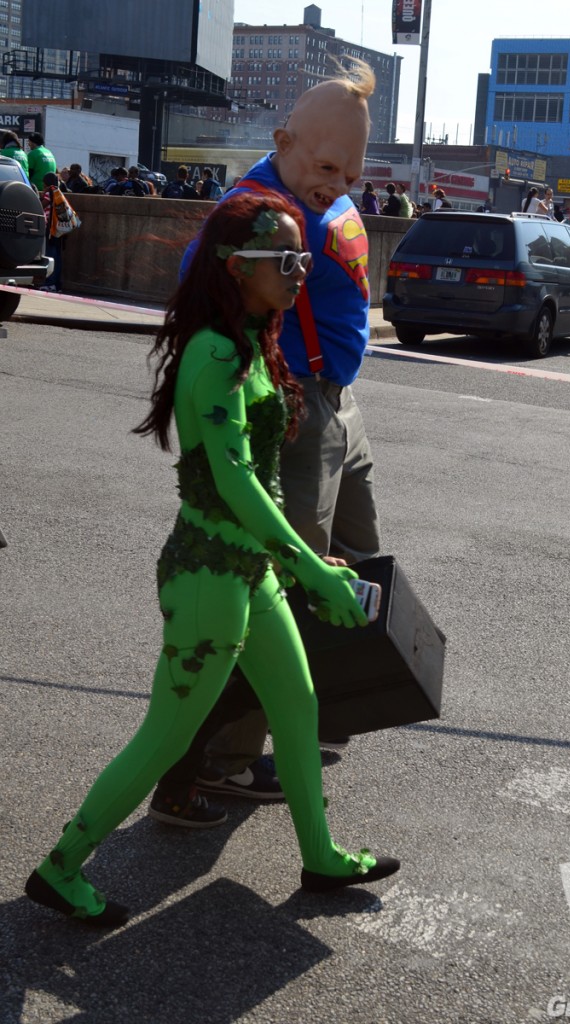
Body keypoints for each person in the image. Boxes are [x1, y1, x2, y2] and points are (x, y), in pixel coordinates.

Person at [24, 190, 400, 928]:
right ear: (236, 267)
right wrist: (311, 566)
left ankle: (320, 854)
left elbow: (253, 483)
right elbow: (235, 480)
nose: (301, 271)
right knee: (164, 738)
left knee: (296, 706)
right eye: (285, 259)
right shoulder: (217, 350)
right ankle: (60, 867)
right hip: (208, 577)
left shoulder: (252, 339)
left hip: (247, 572)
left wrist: (292, 565)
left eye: (304, 257)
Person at [155, 60, 382, 818]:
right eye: (325, 167)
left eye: (351, 171)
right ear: (284, 142)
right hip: (300, 405)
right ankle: (221, 760)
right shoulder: (254, 208)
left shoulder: (320, 189)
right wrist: (252, 384)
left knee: (358, 554)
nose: (339, 183)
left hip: (338, 405)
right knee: (286, 583)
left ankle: (317, 706)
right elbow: (199, 284)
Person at [39, 172, 65, 292]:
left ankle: (50, 283)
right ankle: (57, 284)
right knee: (57, 257)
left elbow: (40, 207)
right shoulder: (58, 191)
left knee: (50, 256)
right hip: (58, 228)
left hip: (50, 229)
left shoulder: (49, 193)